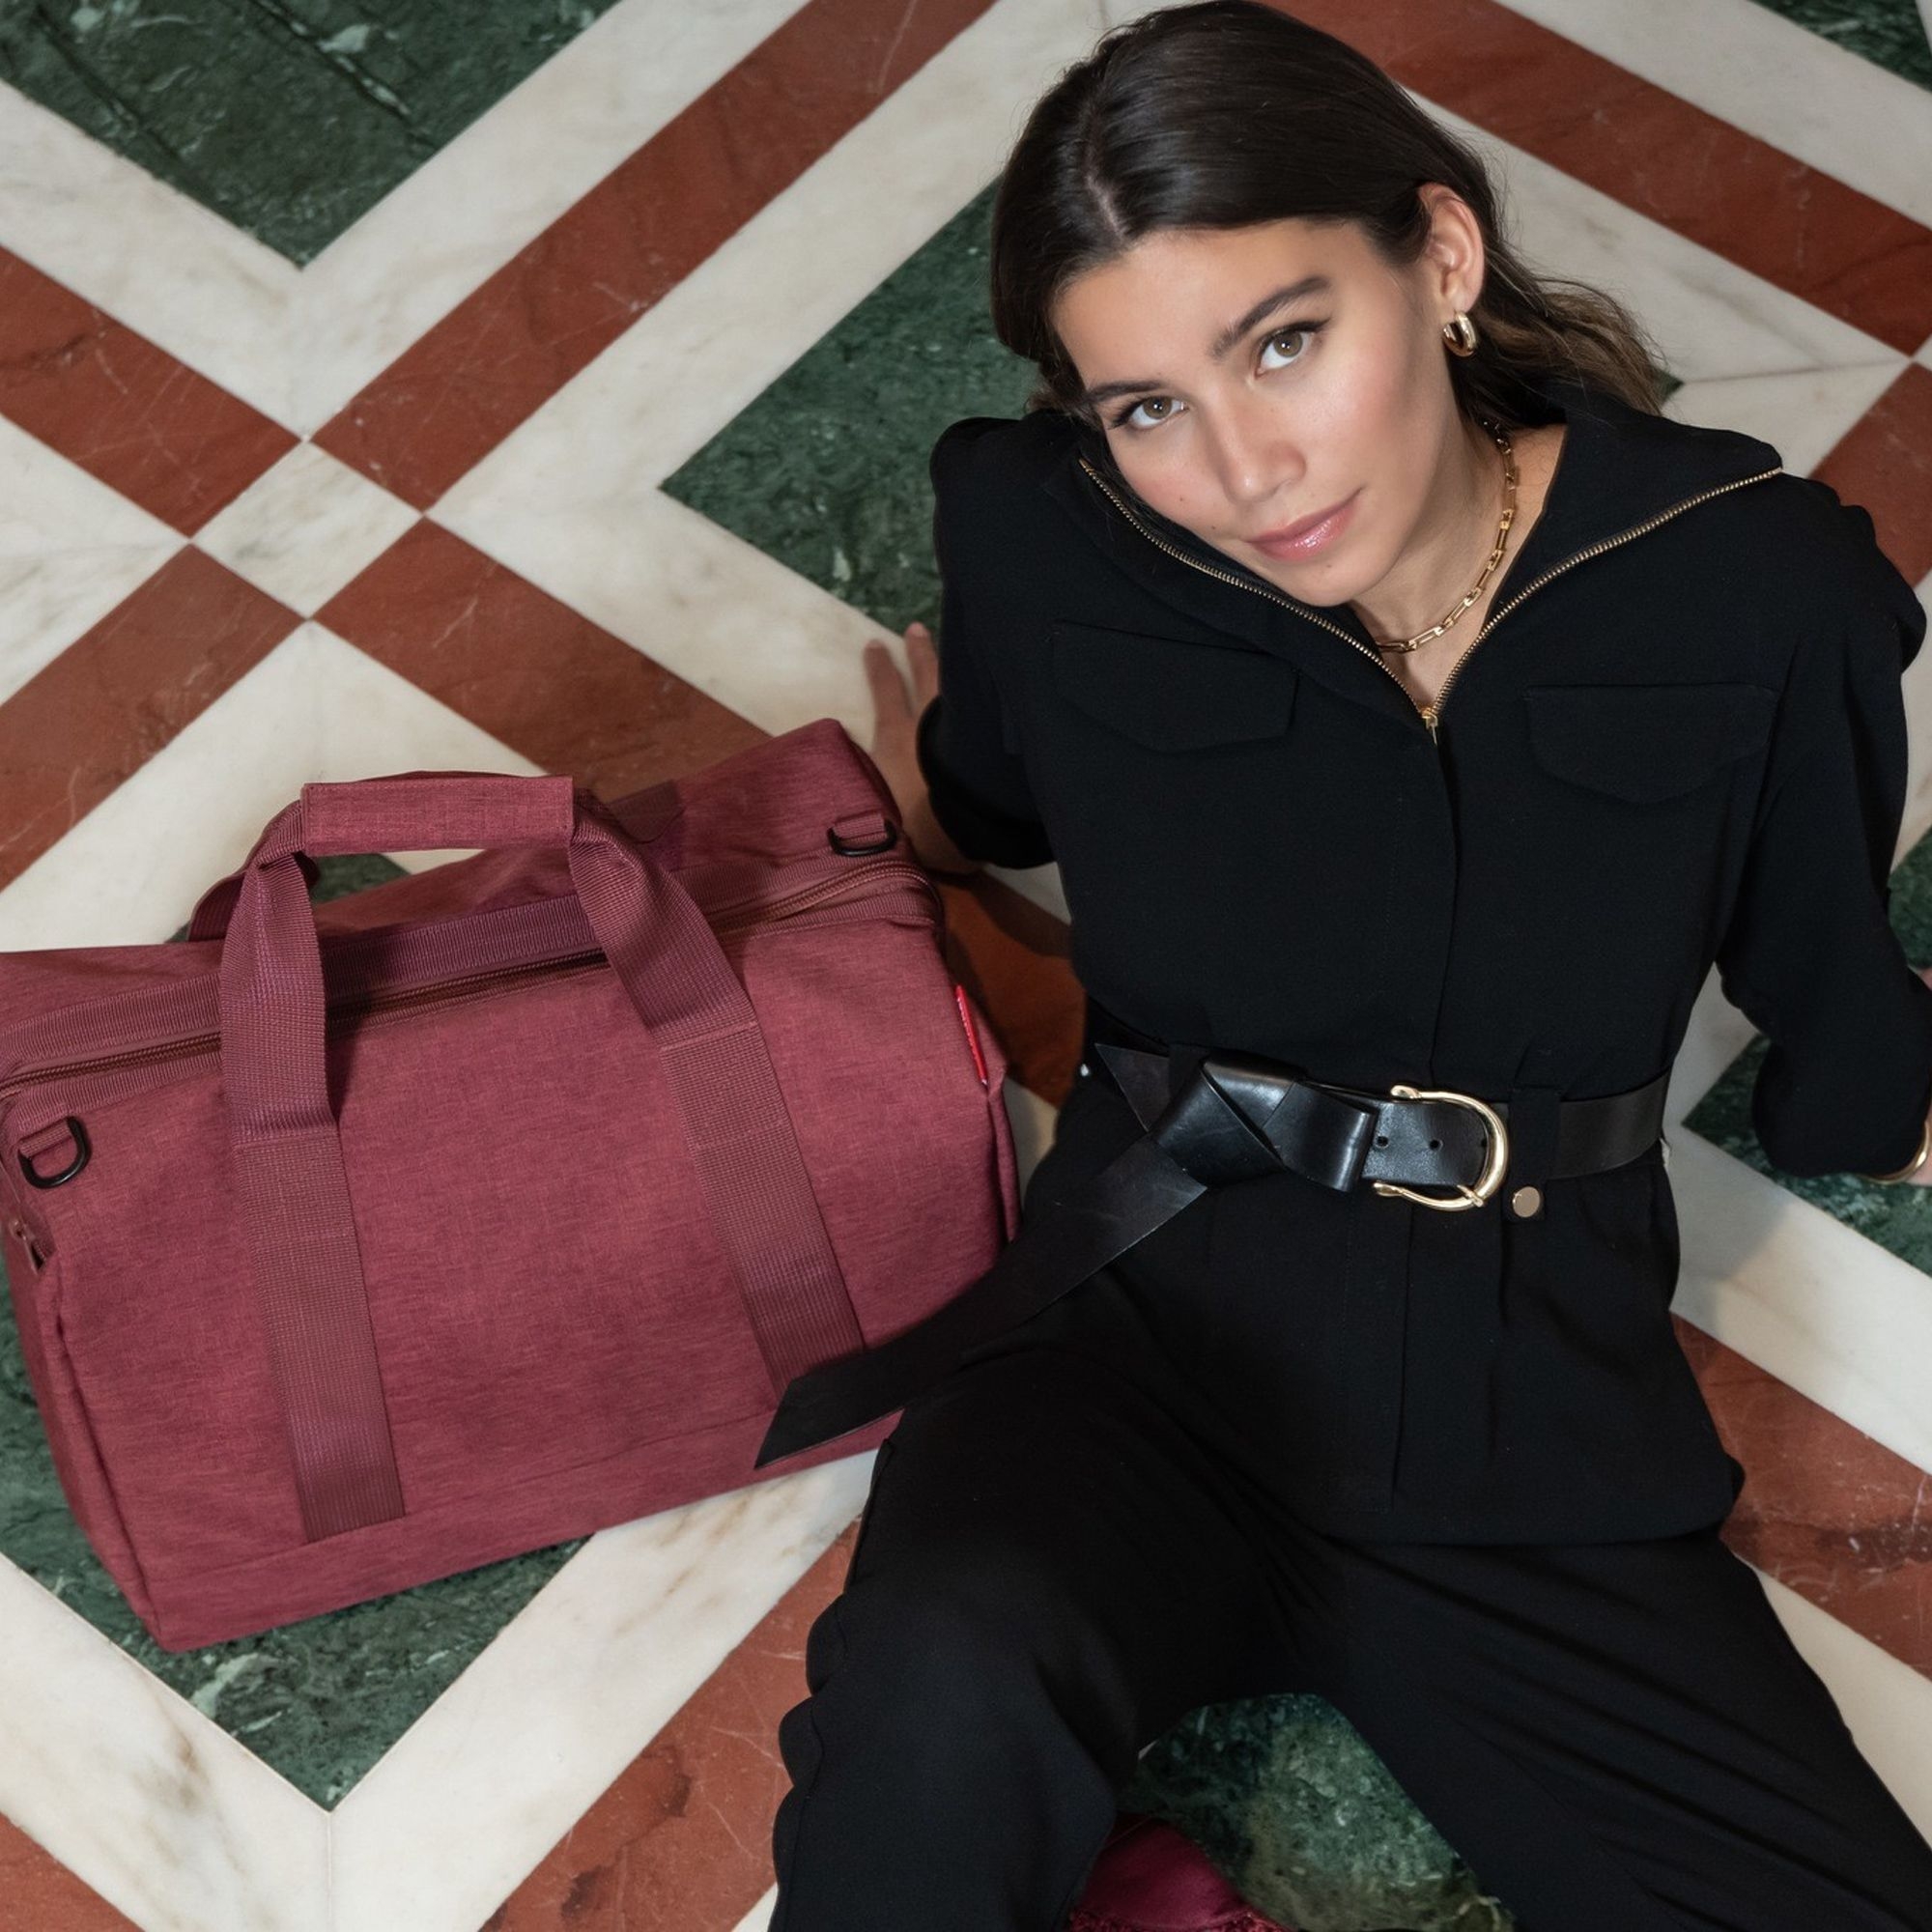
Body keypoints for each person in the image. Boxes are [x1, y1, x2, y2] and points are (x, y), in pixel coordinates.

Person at [768, 5, 1932, 1926]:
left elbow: (1833, 1001)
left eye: (1283, 341)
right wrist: (930, 803)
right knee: (937, 1687)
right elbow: (980, 789)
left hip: (1527, 1439)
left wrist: (1881, 1107)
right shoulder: (1047, 536)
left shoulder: (1760, 589)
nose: (1241, 468)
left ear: (1441, 255)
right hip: (1136, 1354)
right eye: (1146, 406)